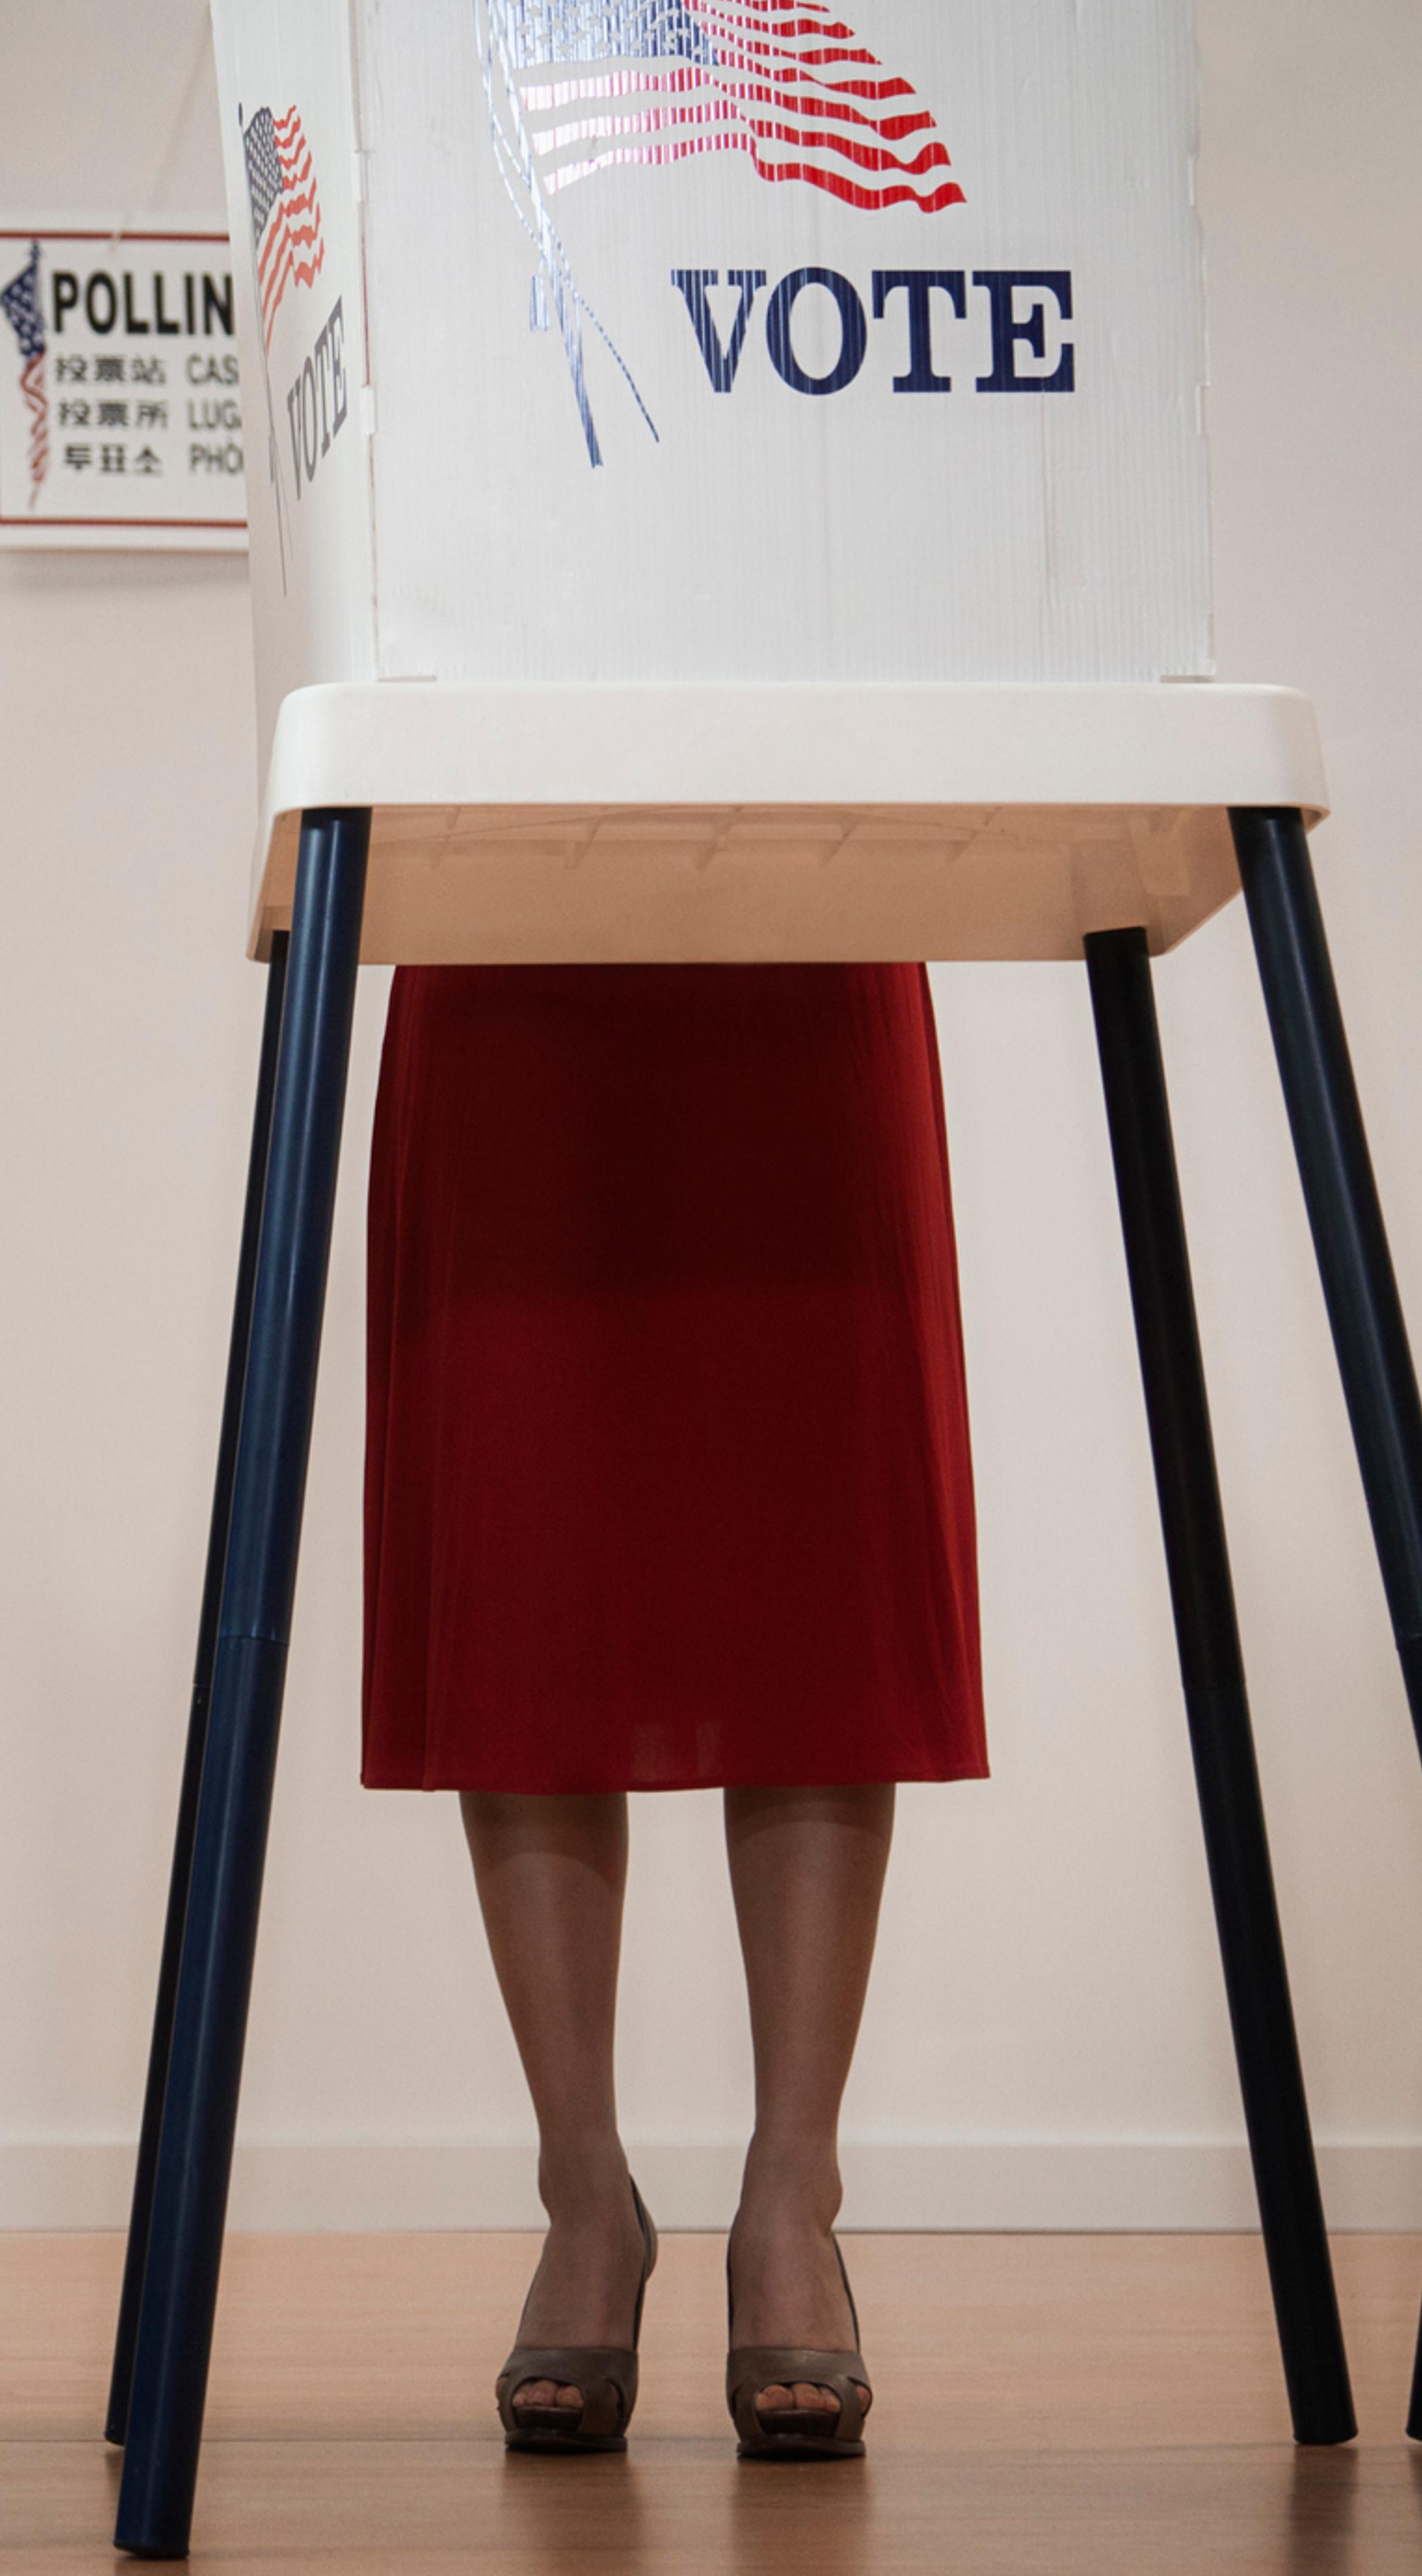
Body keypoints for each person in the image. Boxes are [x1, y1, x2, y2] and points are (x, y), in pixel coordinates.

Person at [363, 962, 984, 2460]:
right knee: (528, 1561)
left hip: (809, 923)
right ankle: (583, 2191)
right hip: (510, 934)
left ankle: (794, 2195)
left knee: (812, 1545)